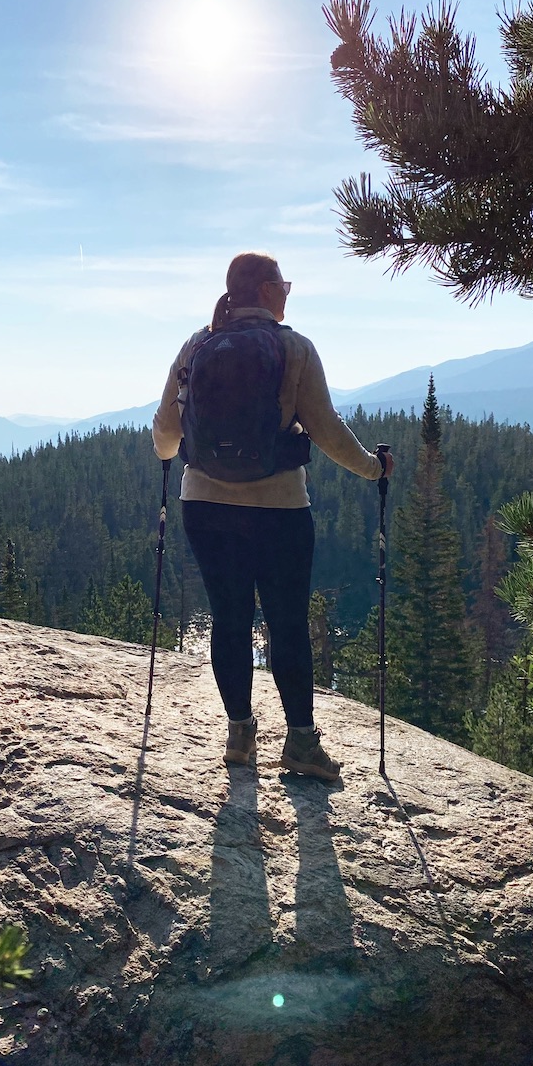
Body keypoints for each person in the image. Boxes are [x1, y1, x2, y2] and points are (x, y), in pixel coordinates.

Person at [152, 252, 393, 780]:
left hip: (205, 507)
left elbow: (166, 434)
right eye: (283, 284)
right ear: (264, 291)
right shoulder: (293, 349)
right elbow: (327, 431)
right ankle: (301, 744)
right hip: (279, 509)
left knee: (229, 618)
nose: (287, 292)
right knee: (287, 623)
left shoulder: (196, 346)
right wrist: (374, 470)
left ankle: (240, 736)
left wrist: (177, 458)